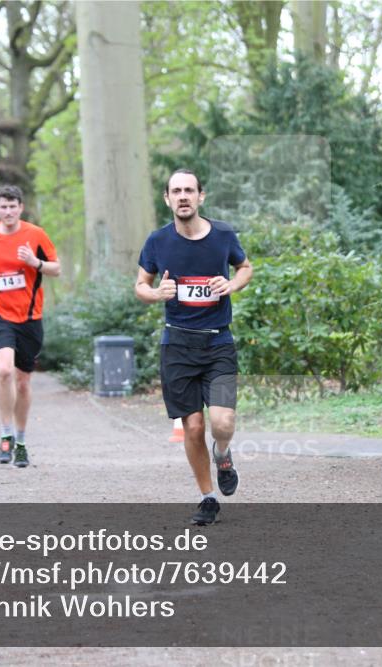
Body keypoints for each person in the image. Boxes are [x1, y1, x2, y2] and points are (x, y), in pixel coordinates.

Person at [135, 169, 253, 525]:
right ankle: (207, 497)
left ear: (201, 196)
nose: (183, 196)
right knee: (193, 426)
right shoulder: (157, 241)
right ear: (167, 199)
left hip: (218, 340)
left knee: (223, 421)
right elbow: (140, 284)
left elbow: (245, 267)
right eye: (176, 191)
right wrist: (156, 293)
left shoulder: (223, 235)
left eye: (189, 190)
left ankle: (224, 454)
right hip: (178, 345)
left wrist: (231, 285)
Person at [0, 185, 60, 468]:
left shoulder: (35, 235)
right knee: (3, 371)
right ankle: (5, 435)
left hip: (29, 318)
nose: (8, 211)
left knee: (23, 383)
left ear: (21, 208)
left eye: (13, 206)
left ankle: (22, 442)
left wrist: (34, 262)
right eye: (3, 206)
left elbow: (56, 268)